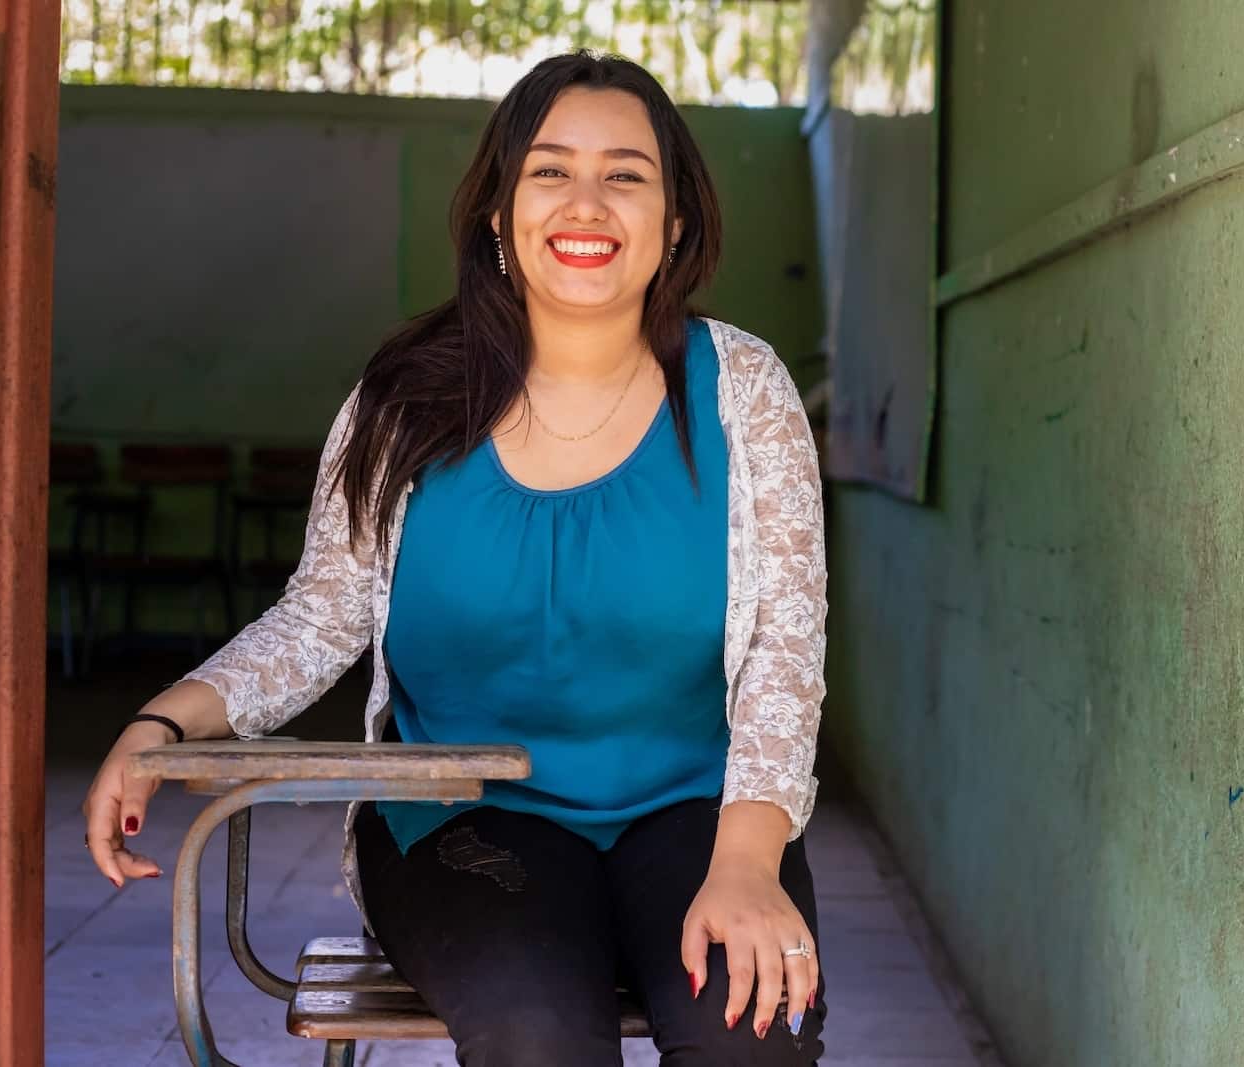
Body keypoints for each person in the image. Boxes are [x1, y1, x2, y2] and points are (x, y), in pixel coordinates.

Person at [81, 50, 828, 1066]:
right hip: (462, 817)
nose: (587, 202)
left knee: (752, 1031)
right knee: (536, 1033)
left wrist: (748, 861)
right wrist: (164, 719)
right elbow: (320, 616)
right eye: (549, 169)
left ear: (676, 219)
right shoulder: (405, 399)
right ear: (496, 209)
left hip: (700, 808)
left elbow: (787, 644)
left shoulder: (742, 389)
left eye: (626, 174)